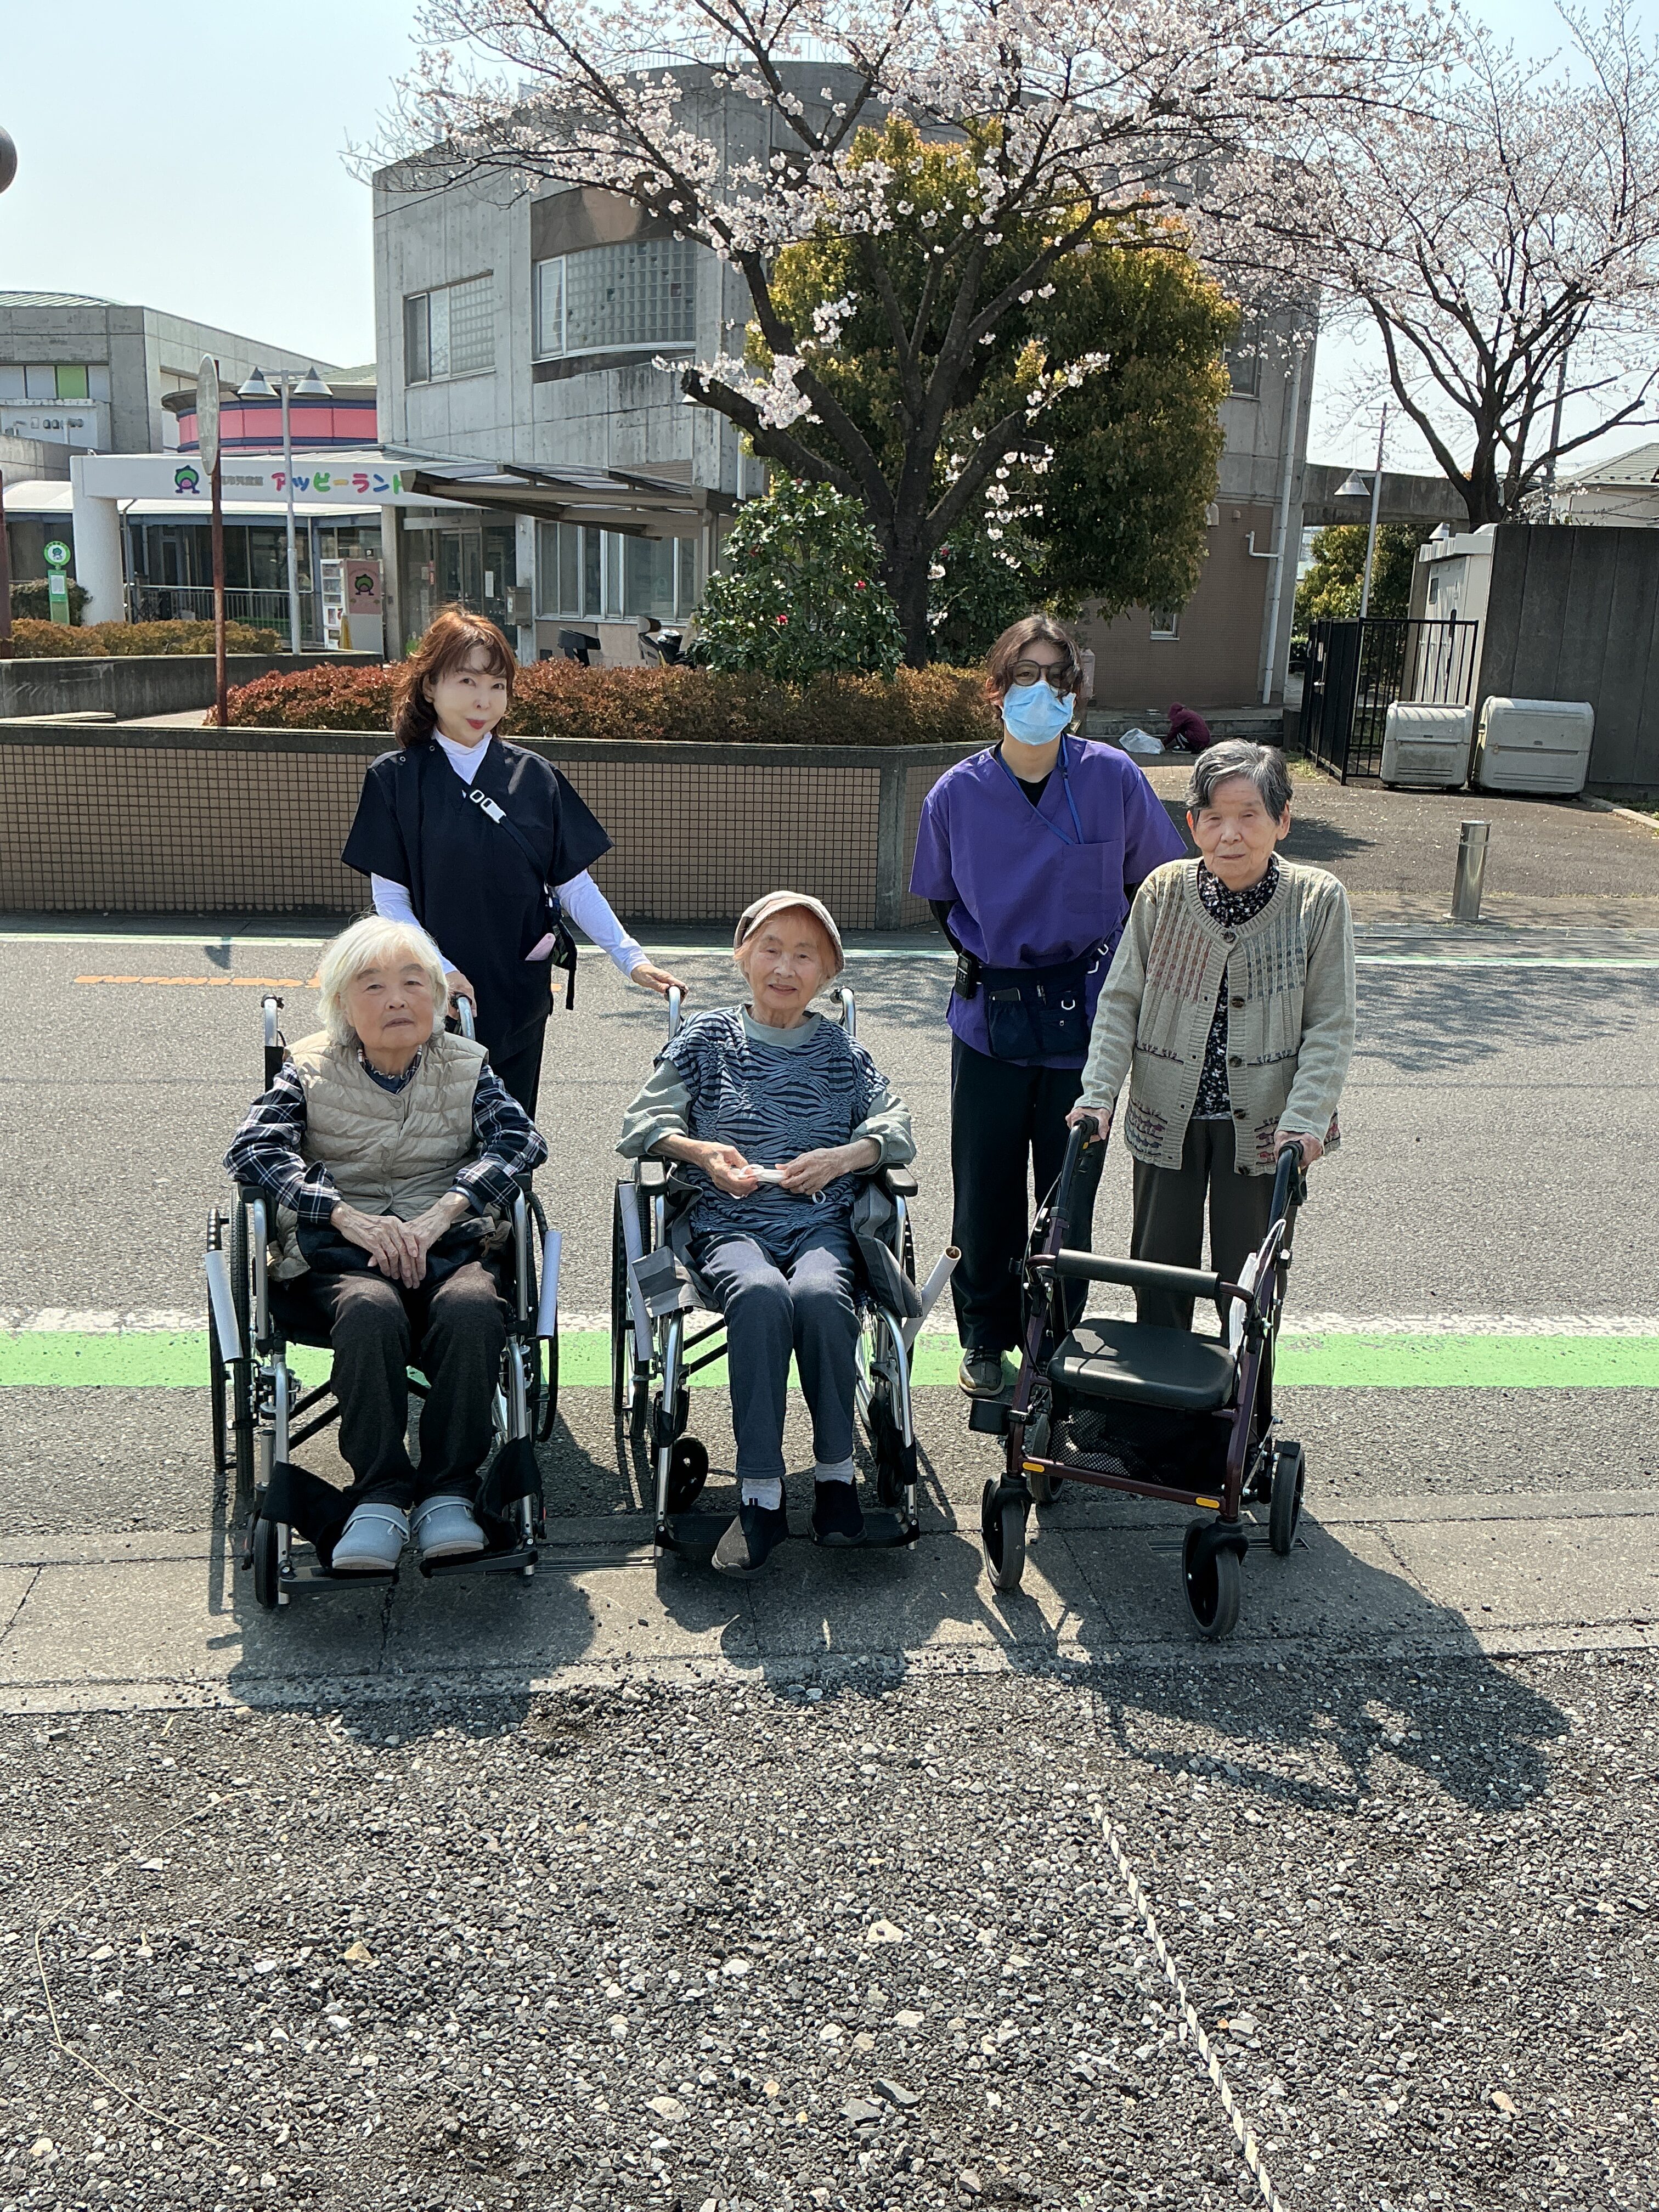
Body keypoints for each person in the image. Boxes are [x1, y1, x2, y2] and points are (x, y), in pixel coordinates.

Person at [908, 613, 1187, 1398]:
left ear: (1077, 694)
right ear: (996, 691)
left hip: (1087, 1025)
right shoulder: (957, 793)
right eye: (1025, 675)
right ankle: (985, 1340)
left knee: (1071, 1198)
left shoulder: (1111, 779)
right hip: (991, 1020)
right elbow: (941, 899)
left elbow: (1155, 888)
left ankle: (1057, 1343)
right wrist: (984, 959)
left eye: (1058, 677)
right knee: (986, 1193)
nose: (1043, 691)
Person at [224, 916, 547, 1572]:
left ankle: (450, 1492)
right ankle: (379, 1494)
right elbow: (251, 1151)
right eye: (373, 986)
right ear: (343, 1005)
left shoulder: (467, 1065)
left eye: (412, 983)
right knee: (371, 1312)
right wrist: (344, 1216)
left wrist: (444, 1212)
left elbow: (522, 1143)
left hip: (448, 1246)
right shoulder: (308, 1067)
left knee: (474, 1308)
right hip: (343, 1256)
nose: (397, 999)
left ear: (438, 997)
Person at [617, 893, 915, 1576]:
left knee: (816, 1295)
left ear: (828, 973)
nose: (785, 966)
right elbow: (640, 1124)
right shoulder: (706, 1040)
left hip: (821, 1225)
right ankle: (761, 1494)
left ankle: (836, 1478)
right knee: (756, 1294)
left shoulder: (842, 1050)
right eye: (772, 948)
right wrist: (701, 1155)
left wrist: (844, 1158)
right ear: (743, 956)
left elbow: (895, 1126)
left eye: (805, 955)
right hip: (729, 1225)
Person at [341, 606, 685, 1116]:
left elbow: (574, 884)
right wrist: (441, 971)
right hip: (429, 997)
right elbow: (390, 899)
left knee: (513, 1128)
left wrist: (632, 960)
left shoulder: (535, 777)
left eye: (498, 685)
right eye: (468, 681)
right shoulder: (394, 779)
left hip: (518, 988)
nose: (485, 699)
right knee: (435, 1139)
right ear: (430, 686)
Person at [1066, 741, 1356, 1331]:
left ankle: (1242, 1410)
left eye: (1250, 815)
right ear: (1194, 824)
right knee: (1158, 1268)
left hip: (1267, 1126)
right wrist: (1097, 1095)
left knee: (1248, 1281)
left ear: (1282, 820)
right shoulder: (1163, 891)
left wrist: (1305, 1121)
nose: (1232, 834)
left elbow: (1331, 1023)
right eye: (1215, 818)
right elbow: (1120, 1003)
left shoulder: (1318, 901)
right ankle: (1163, 1412)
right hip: (1166, 1113)